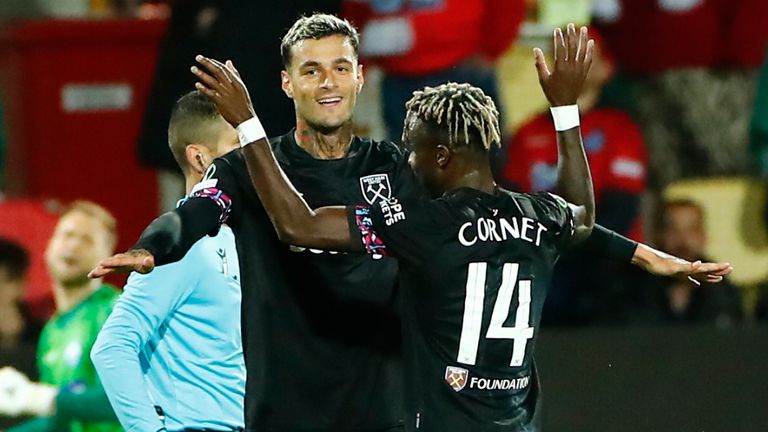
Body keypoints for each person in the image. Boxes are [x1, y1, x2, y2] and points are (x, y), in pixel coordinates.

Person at [90, 14, 731, 432]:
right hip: (289, 408)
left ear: (362, 76)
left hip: (391, 407)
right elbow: (193, 214)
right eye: (311, 69)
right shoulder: (246, 169)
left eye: (341, 66)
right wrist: (152, 249)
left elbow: (518, 213)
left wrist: (642, 253)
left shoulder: (404, 172)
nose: (329, 81)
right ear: (286, 83)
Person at [90, 91, 244, 432]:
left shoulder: (231, 239)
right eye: (238, 145)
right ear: (201, 158)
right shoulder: (183, 249)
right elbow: (112, 347)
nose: (252, 159)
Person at [0, 201, 121, 432]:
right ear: (49, 247)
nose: (73, 245)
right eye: (67, 235)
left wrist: (45, 398)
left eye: (87, 240)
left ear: (108, 257)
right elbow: (62, 422)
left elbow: (128, 400)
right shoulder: (51, 332)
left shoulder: (116, 312)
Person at [627, 199, 742, 327]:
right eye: (673, 229)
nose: (682, 240)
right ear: (658, 235)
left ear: (703, 236)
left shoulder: (721, 290)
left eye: (691, 230)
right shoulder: (634, 287)